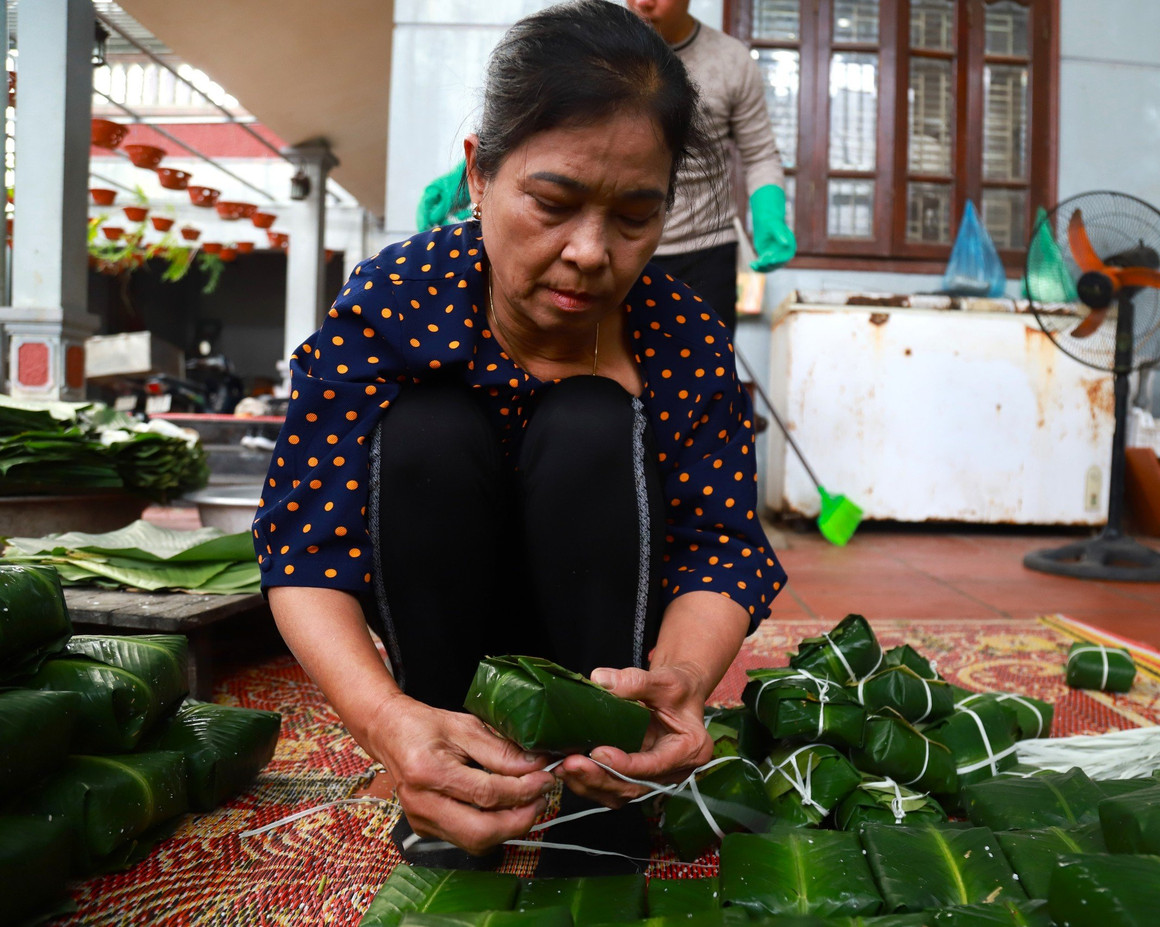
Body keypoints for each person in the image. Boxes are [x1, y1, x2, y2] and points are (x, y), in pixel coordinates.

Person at [252, 0, 786, 875]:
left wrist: (681, 683)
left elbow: (722, 549)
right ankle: (448, 774)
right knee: (427, 428)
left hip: (606, 644)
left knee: (589, 422)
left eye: (633, 217)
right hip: (444, 642)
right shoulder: (396, 301)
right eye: (554, 201)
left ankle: (599, 797)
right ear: (479, 173)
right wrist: (389, 722)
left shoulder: (682, 339)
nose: (589, 252)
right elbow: (304, 549)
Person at [626, 0, 796, 336]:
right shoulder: (598, 51)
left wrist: (769, 214)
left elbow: (760, 153)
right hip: (619, 246)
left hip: (704, 252)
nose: (642, 2)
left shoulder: (731, 60)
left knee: (701, 379)